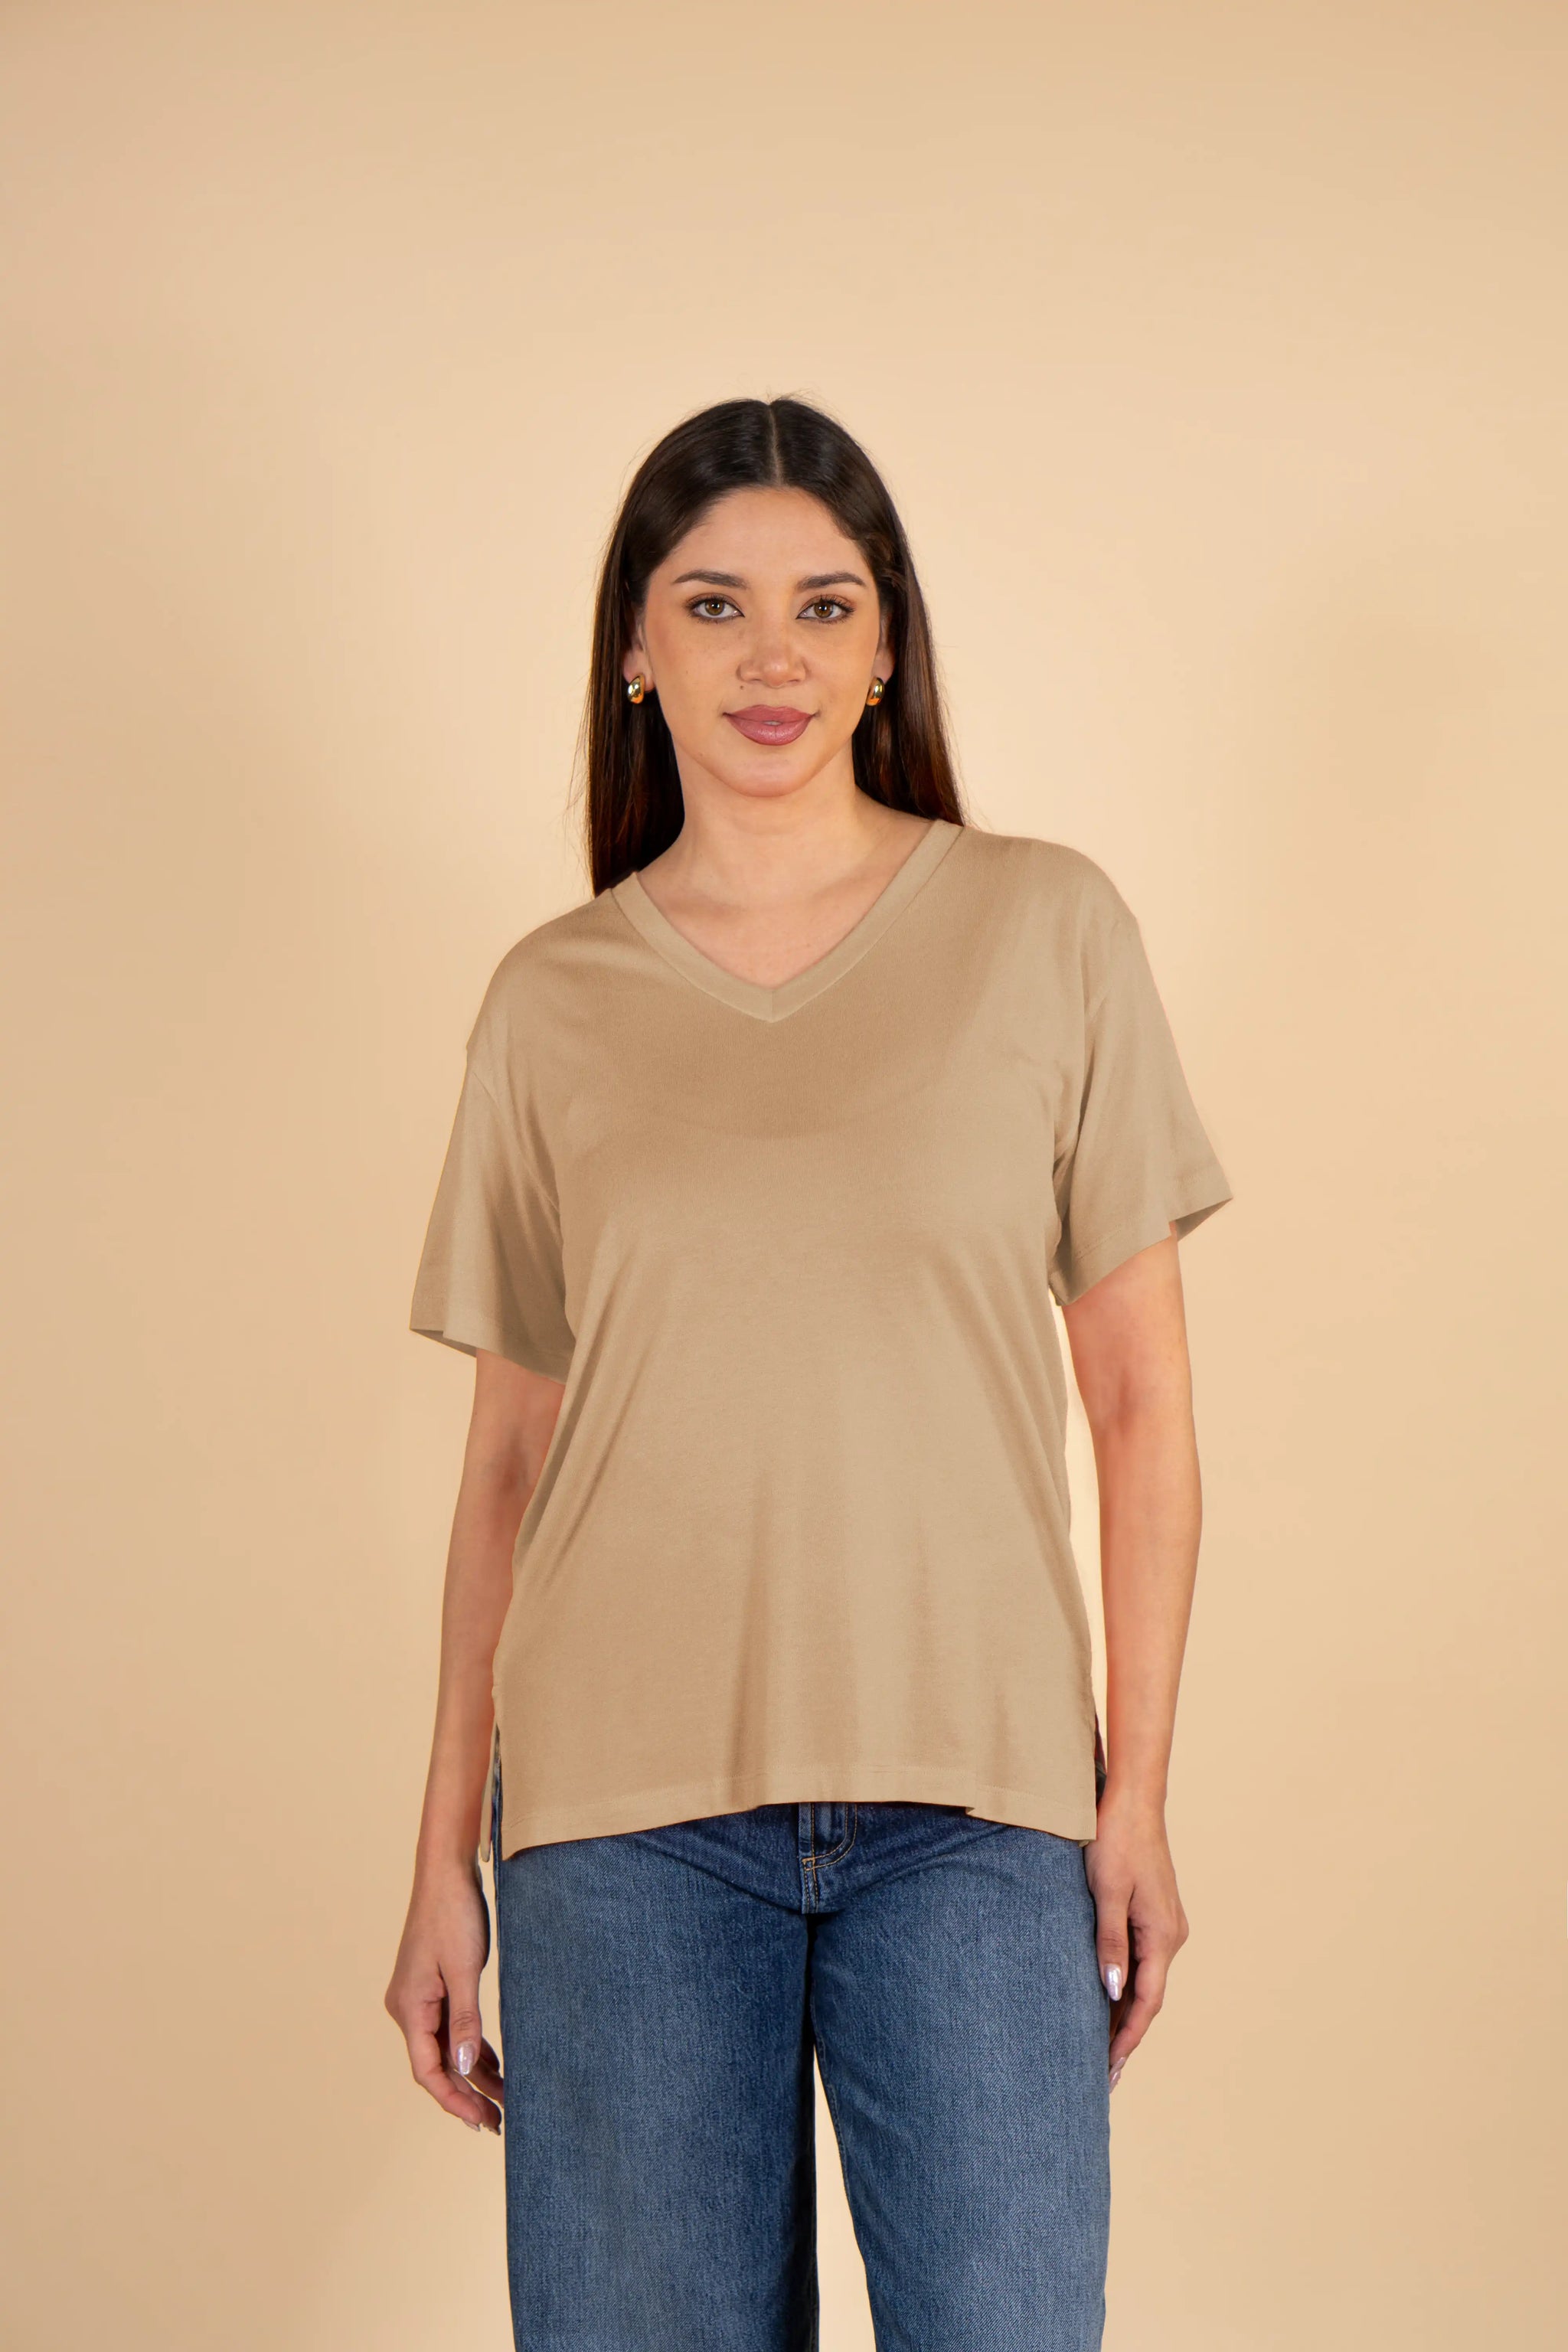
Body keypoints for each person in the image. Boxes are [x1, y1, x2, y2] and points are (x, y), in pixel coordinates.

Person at [384, 394, 1233, 2351]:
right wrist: (439, 1857)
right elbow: (507, 1463)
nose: (769, 657)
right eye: (713, 605)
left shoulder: (1045, 929)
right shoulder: (552, 1000)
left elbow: (1140, 1408)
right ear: (635, 644)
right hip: (619, 1829)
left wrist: (1136, 1792)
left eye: (821, 606)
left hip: (978, 1813)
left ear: (883, 645)